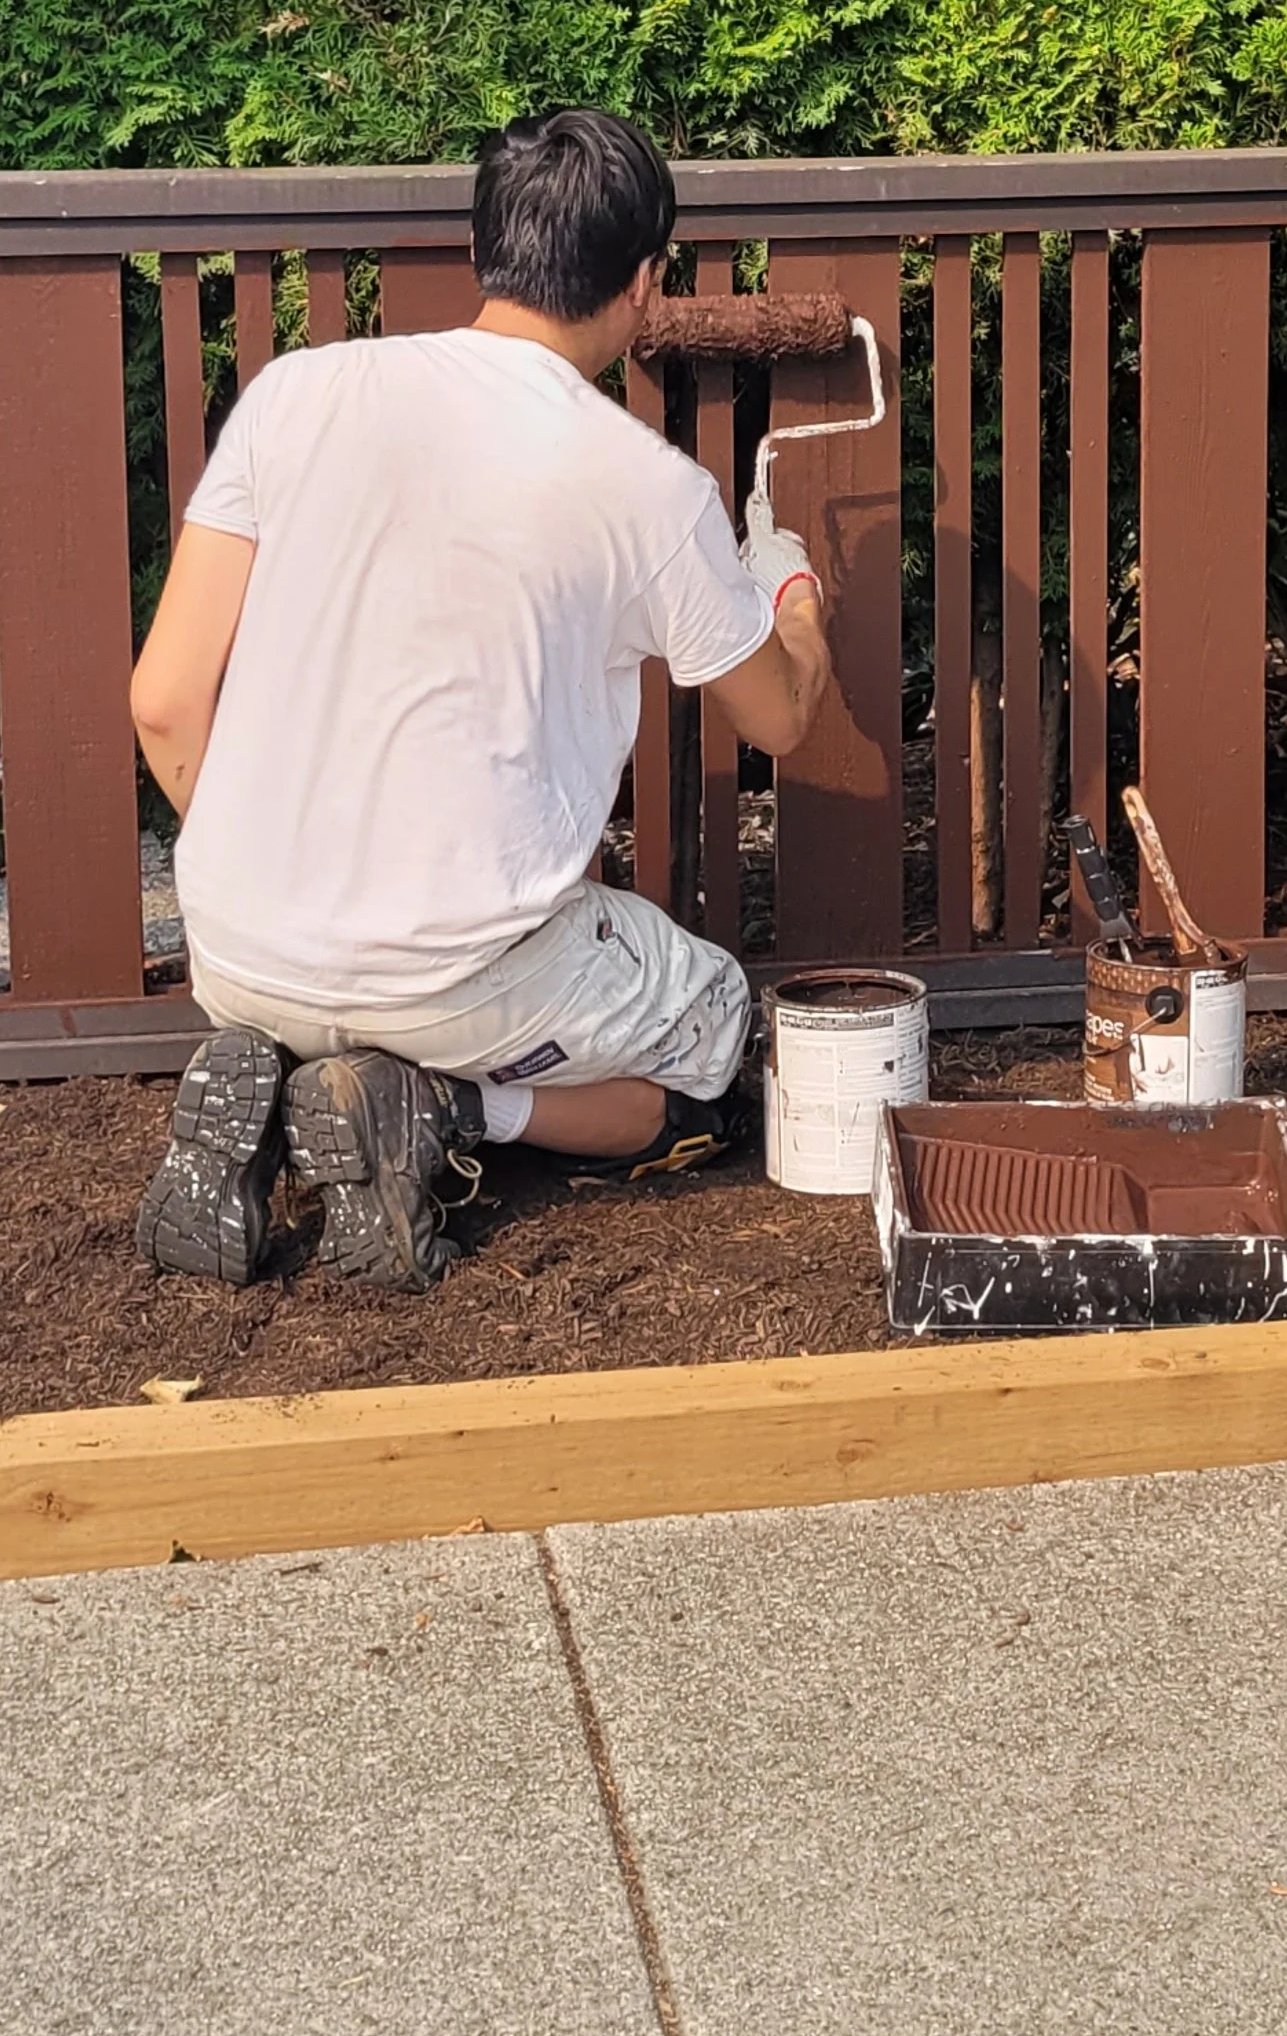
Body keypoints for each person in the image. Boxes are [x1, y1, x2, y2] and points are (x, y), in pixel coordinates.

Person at [126, 106, 832, 1290]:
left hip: (238, 944)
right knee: (715, 1037)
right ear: (646, 280)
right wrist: (795, 597)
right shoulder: (649, 492)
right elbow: (780, 718)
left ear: (484, 248)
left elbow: (160, 700)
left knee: (367, 981)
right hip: (460, 975)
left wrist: (282, 871)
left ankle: (291, 1071)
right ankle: (440, 1104)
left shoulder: (295, 395)